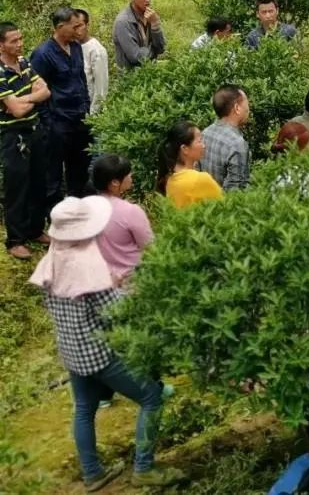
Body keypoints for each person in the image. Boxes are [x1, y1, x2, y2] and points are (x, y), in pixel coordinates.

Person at [29, 196, 185, 489]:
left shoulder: (51, 259)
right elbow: (115, 310)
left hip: (71, 350)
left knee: (85, 409)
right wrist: (124, 288)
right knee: (151, 397)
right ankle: (144, 468)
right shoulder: (87, 265)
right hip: (99, 353)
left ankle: (92, 474)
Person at [31, 7, 92, 207]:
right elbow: (37, 91)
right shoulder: (42, 54)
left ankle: (78, 211)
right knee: (53, 174)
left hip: (80, 119)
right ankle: (54, 217)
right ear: (60, 27)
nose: (79, 30)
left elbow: (81, 79)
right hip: (58, 122)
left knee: (79, 169)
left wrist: (87, 108)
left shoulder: (75, 47)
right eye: (74, 27)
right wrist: (48, 122)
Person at [0, 22, 51, 260]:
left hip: (34, 129)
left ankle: (35, 229)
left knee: (38, 182)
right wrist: (29, 100)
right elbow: (15, 111)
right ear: (1, 45)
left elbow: (45, 90)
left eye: (20, 39)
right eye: (13, 41)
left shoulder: (24, 62)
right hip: (13, 136)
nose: (19, 44)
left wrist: (24, 99)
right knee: (17, 187)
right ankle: (15, 240)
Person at [92, 154, 154, 282]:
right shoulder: (131, 211)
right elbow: (150, 246)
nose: (131, 177)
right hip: (129, 280)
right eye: (128, 174)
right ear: (115, 182)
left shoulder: (86, 208)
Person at [157, 120, 224, 208]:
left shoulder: (168, 178)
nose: (204, 146)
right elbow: (224, 207)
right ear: (185, 149)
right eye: (200, 141)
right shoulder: (200, 180)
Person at [200, 85, 251, 191]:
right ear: (237, 108)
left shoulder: (205, 133)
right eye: (247, 104)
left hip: (203, 204)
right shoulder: (237, 144)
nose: (248, 109)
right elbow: (235, 192)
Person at [113, 0, 165, 70]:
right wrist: (153, 51)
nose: (148, 0)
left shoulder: (150, 15)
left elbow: (161, 48)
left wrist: (155, 25)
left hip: (150, 73)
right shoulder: (123, 22)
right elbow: (135, 56)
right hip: (131, 79)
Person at [73, 9, 109, 115]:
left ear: (87, 25)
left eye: (79, 26)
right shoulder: (72, 47)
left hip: (90, 111)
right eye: (74, 27)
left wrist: (93, 114)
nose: (76, 30)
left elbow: (101, 88)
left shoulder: (96, 50)